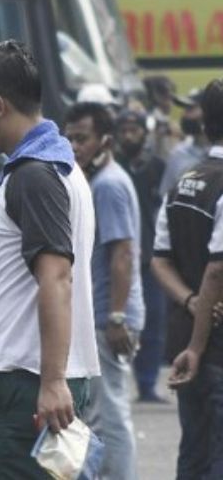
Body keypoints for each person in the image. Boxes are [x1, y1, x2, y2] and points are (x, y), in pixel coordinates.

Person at [0, 41, 99, 477]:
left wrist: (52, 381)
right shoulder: (57, 167)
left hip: (23, 381)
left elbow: (56, 277)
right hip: (27, 378)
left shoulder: (35, 175)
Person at [65, 102, 144, 479]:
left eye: (82, 138)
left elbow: (123, 254)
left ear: (104, 140)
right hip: (99, 315)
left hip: (109, 317)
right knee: (97, 412)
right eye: (70, 137)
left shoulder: (109, 184)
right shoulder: (94, 180)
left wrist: (115, 317)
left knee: (110, 413)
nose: (74, 146)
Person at [153, 78, 223, 479]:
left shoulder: (184, 183)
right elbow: (217, 268)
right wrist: (198, 342)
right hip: (209, 350)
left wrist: (189, 301)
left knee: (193, 455)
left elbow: (159, 260)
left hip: (188, 347)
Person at [114, 108, 169, 403]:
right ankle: (123, 381)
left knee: (154, 322)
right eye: (123, 131)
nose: (128, 136)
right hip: (120, 257)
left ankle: (147, 384)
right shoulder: (114, 167)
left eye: (133, 131)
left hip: (150, 258)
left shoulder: (157, 167)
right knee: (122, 321)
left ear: (144, 135)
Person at [160, 88, 209, 195]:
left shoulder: (219, 153)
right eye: (185, 109)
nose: (184, 114)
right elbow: (166, 196)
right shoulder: (178, 154)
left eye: (190, 108)